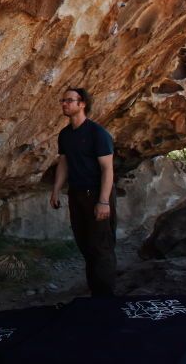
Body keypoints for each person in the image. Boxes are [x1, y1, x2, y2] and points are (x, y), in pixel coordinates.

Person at [50, 87, 116, 296]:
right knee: (85, 244)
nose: (64, 104)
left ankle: (105, 298)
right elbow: (64, 163)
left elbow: (108, 169)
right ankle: (95, 291)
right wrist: (56, 190)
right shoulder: (65, 135)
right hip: (76, 194)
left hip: (97, 194)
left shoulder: (98, 133)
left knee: (101, 246)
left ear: (82, 104)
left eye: (69, 100)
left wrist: (103, 201)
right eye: (63, 100)